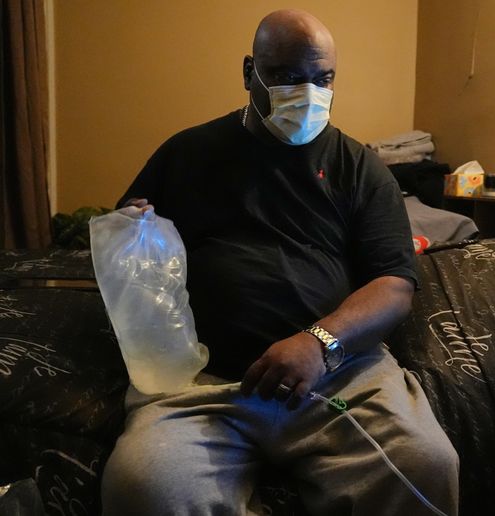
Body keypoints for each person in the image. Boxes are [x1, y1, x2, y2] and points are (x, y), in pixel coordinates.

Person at [101, 9, 459, 515]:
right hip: (204, 385)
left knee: (426, 464)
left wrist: (320, 343)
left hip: (341, 380)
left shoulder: (360, 169)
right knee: (146, 483)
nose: (308, 93)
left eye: (323, 79)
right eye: (288, 78)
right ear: (250, 73)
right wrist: (132, 230)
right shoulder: (188, 154)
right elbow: (127, 245)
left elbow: (394, 283)